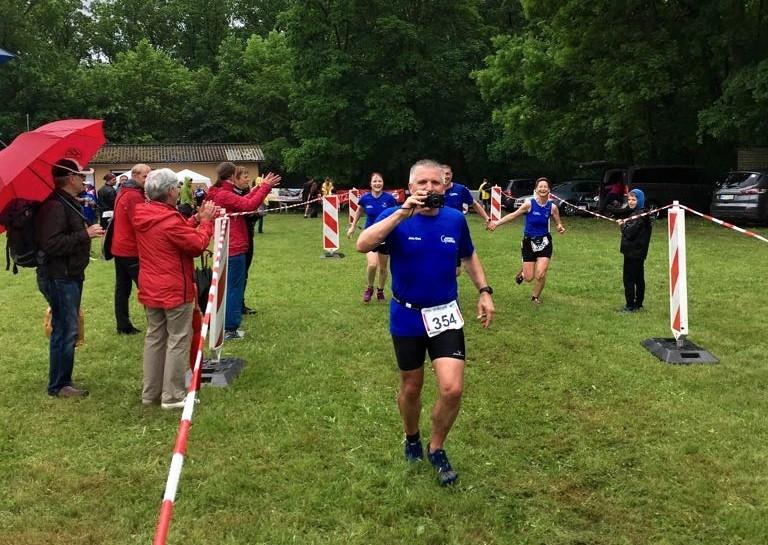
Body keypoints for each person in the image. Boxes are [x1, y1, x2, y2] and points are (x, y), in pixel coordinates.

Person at [356, 159, 495, 486]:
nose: (429, 188)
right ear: (410, 187)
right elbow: (363, 244)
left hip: (445, 313)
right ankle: (412, 437)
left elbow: (468, 255)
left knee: (452, 388)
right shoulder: (396, 217)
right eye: (422, 183)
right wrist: (401, 214)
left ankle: (436, 447)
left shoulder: (455, 219)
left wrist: (484, 291)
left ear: (445, 186)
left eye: (435, 182)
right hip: (407, 315)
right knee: (411, 386)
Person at [133, 168, 216, 408]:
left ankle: (151, 393)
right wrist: (206, 223)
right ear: (170, 191)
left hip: (151, 286)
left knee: (155, 338)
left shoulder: (146, 214)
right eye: (177, 187)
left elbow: (174, 234)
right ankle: (173, 395)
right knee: (178, 339)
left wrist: (195, 220)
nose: (179, 190)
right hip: (173, 287)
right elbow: (196, 245)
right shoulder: (169, 219)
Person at [35, 159, 105, 397]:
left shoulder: (66, 202)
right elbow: (51, 244)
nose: (84, 181)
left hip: (68, 275)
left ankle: (61, 380)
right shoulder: (55, 206)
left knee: (66, 327)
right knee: (65, 329)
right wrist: (85, 234)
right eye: (81, 176)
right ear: (71, 178)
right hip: (59, 276)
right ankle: (59, 384)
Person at [207, 162, 281, 340]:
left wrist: (259, 188)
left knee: (227, 287)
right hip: (234, 246)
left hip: (228, 245)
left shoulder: (221, 192)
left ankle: (222, 324)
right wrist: (265, 188)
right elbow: (249, 205)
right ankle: (230, 328)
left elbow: (243, 201)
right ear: (232, 176)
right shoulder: (224, 194)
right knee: (234, 288)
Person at [488, 177, 566, 305]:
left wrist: (560, 227)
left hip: (544, 242)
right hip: (528, 242)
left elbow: (558, 222)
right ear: (536, 189)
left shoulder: (552, 207)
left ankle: (535, 297)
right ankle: (523, 272)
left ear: (549, 190)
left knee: (540, 274)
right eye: (540, 186)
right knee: (529, 278)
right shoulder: (529, 204)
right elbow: (513, 215)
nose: (543, 189)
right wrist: (497, 223)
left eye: (545, 187)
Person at [111, 163, 150, 334]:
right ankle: (155, 324)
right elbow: (140, 222)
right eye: (145, 176)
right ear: (135, 176)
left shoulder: (124, 191)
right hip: (131, 249)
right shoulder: (134, 195)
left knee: (122, 288)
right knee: (146, 288)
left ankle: (123, 325)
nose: (148, 179)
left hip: (119, 247)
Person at [346, 172, 397, 302]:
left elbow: (396, 215)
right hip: (369, 235)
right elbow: (359, 210)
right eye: (374, 181)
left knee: (383, 268)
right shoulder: (365, 198)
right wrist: (353, 226)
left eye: (379, 181)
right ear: (370, 184)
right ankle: (369, 288)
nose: (377, 183)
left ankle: (380, 290)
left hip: (385, 236)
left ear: (383, 183)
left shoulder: (389, 199)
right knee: (373, 265)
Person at [617, 188, 652, 312]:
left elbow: (629, 233)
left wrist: (622, 225)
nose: (630, 202)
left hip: (634, 253)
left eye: (634, 199)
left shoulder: (640, 216)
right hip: (637, 252)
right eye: (629, 199)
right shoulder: (639, 214)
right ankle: (638, 304)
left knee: (629, 279)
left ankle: (630, 305)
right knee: (638, 278)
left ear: (640, 200)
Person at [232, 166, 258, 315]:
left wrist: (255, 214)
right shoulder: (231, 195)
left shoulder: (248, 192)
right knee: (237, 274)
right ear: (235, 179)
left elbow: (252, 213)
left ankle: (240, 303)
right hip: (237, 240)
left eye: (248, 176)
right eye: (245, 177)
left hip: (248, 235)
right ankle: (234, 306)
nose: (248, 179)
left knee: (244, 272)